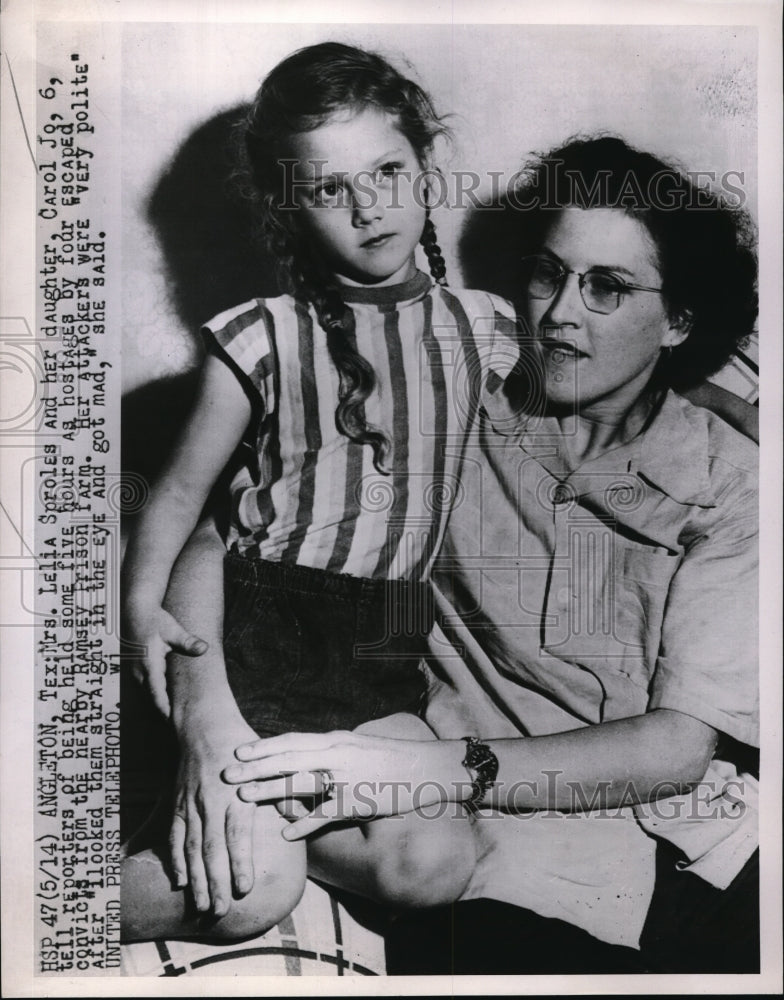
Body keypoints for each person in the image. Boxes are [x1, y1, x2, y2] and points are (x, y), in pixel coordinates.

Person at [222, 137, 760, 973]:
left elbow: (678, 748)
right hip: (491, 856)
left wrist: (438, 770)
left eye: (607, 287)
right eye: (549, 274)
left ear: (679, 322)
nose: (561, 313)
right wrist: (206, 729)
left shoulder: (732, 485)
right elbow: (225, 520)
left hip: (673, 840)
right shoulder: (449, 388)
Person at [121, 41, 520, 940]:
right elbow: (181, 497)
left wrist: (741, 409)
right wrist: (141, 609)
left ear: (427, 167)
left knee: (434, 865)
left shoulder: (487, 329)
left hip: (385, 642)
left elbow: (611, 394)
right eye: (329, 188)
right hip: (261, 630)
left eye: (387, 172)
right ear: (287, 206)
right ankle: (53, 899)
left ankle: (269, 830)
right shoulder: (261, 337)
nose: (368, 206)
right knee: (251, 895)